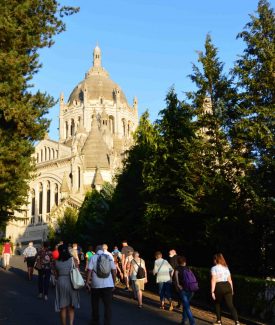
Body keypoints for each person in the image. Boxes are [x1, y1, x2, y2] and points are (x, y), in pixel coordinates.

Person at [86, 245, 116, 325]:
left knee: (95, 303)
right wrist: (114, 283)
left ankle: (95, 320)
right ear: (102, 250)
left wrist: (87, 282)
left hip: (96, 284)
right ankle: (107, 322)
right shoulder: (109, 257)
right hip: (108, 284)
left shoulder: (93, 257)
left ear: (96, 250)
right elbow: (114, 270)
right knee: (107, 305)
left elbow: (89, 270)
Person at [54, 244, 80, 325]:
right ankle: (71, 324)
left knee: (63, 306)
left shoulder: (56, 262)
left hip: (61, 281)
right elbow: (77, 270)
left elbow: (56, 275)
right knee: (71, 306)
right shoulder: (73, 259)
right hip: (71, 281)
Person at [211, 253, 240, 325]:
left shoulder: (214, 268)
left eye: (214, 259)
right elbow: (230, 280)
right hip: (227, 286)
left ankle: (219, 321)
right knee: (231, 305)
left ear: (216, 260)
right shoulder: (226, 267)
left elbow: (213, 280)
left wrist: (212, 291)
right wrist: (232, 290)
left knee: (217, 303)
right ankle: (237, 322)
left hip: (219, 286)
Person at [175, 256, 196, 325]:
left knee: (186, 306)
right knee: (185, 305)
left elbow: (176, 280)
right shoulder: (188, 268)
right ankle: (183, 320)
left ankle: (192, 321)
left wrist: (178, 286)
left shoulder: (177, 269)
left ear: (178, 262)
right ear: (185, 262)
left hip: (183, 290)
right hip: (191, 289)